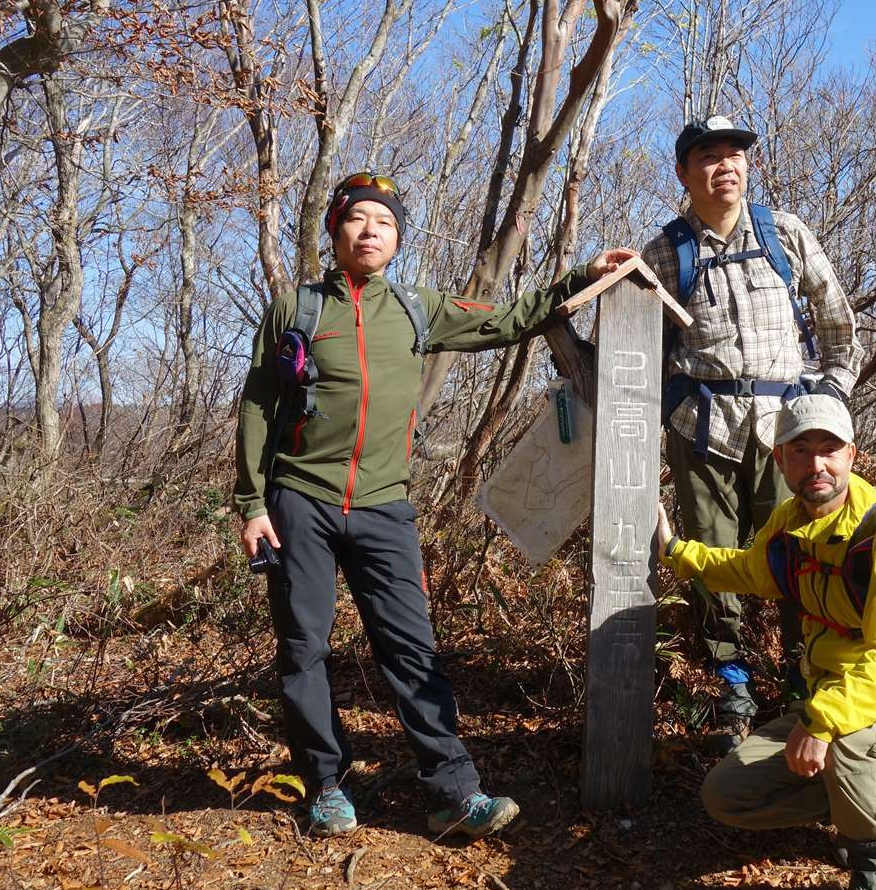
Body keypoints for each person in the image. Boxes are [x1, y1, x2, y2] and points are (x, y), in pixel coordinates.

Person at [235, 172, 634, 839]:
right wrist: (252, 503)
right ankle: (327, 786)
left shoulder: (416, 308)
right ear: (335, 232)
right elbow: (258, 406)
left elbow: (509, 319)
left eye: (384, 222)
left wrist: (578, 276)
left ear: (396, 238)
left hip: (385, 506)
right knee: (304, 649)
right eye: (357, 219)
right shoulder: (297, 311)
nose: (370, 231)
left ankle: (453, 792)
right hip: (300, 499)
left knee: (412, 649)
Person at [653, 393, 876, 890]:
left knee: (852, 750)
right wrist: (676, 552)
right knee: (726, 796)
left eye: (829, 449)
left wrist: (821, 722)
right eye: (800, 450)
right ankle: (868, 802)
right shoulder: (791, 524)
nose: (816, 464)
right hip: (828, 702)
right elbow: (749, 570)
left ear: (851, 455)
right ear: (780, 460)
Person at [640, 114, 863, 751]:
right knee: (710, 552)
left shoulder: (784, 233)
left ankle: (807, 678)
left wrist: (828, 403)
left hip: (786, 431)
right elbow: (640, 346)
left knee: (800, 552)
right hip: (701, 424)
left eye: (735, 154)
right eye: (708, 156)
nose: (725, 166)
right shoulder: (666, 250)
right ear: (684, 173)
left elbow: (837, 321)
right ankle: (729, 678)